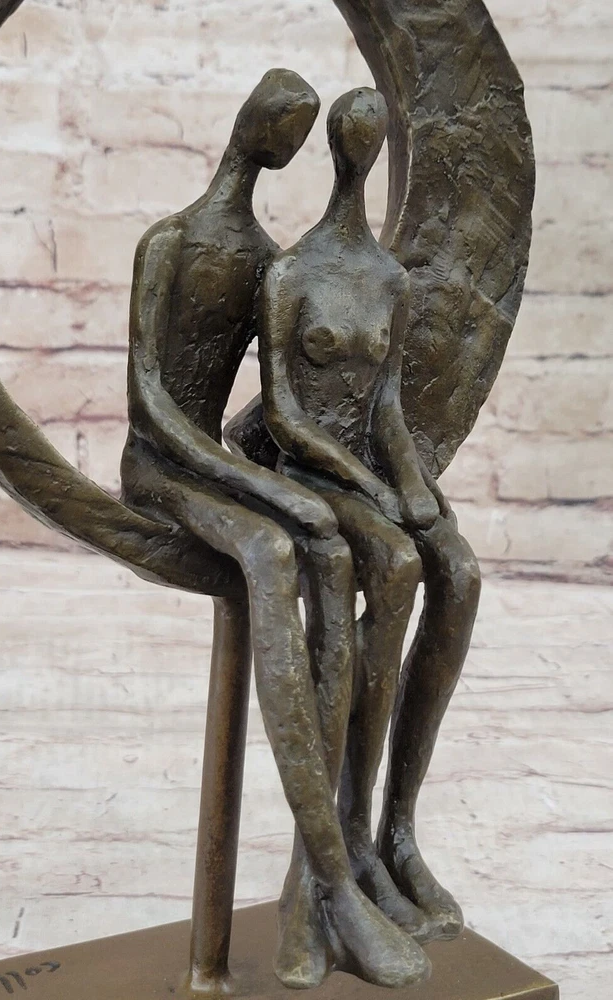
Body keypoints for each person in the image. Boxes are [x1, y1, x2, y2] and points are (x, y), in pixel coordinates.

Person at [120, 69, 429, 990]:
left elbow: (273, 402)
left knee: (328, 550)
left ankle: (328, 875)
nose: (283, 141)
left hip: (215, 466)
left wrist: (282, 475)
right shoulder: (171, 240)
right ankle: (334, 878)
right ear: (248, 123)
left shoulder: (265, 258)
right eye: (277, 124)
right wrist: (253, 482)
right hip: (159, 468)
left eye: (295, 132)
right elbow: (148, 404)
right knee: (272, 546)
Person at [230, 86, 481, 957]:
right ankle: (342, 842)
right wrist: (370, 488)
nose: (362, 151)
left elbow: (387, 408)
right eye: (354, 138)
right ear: (339, 149)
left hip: (370, 469)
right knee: (395, 563)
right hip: (309, 470)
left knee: (458, 570)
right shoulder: (291, 274)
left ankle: (394, 833)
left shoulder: (387, 280)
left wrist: (410, 484)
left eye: (372, 140)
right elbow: (283, 416)